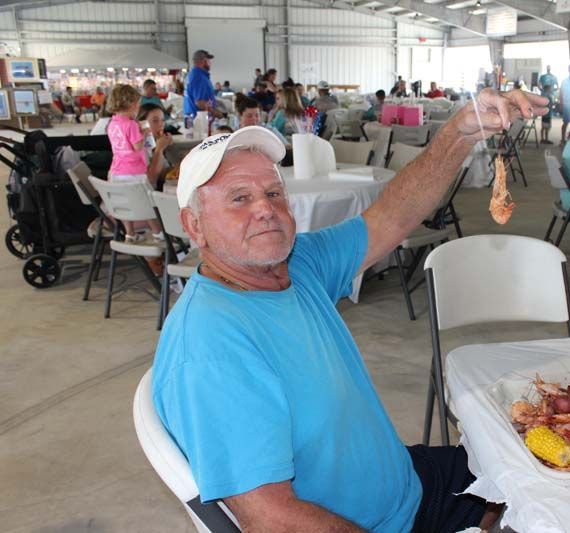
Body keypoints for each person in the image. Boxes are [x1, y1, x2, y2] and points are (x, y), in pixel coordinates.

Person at [151, 88, 548, 533]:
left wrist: (461, 130)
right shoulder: (210, 348)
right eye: (239, 199)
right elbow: (271, 518)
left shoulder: (295, 264)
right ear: (194, 226)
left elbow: (391, 216)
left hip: (404, 482)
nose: (265, 210)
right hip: (377, 524)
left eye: (273, 193)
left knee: (540, 460)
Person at [105, 84, 163, 242]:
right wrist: (144, 134)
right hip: (134, 172)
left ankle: (130, 233)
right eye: (137, 104)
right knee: (146, 203)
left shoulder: (112, 124)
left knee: (126, 206)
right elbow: (138, 146)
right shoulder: (131, 125)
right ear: (131, 104)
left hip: (117, 171)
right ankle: (158, 232)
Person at [137, 103, 173, 185]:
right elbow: (151, 181)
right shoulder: (140, 147)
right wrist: (159, 150)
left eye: (163, 120)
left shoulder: (154, 142)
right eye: (155, 121)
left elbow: (165, 172)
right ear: (142, 124)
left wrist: (169, 147)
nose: (161, 125)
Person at [184, 49, 223, 119]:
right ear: (203, 61)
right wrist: (218, 114)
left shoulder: (193, 74)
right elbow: (200, 103)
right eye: (209, 60)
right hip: (199, 121)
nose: (210, 63)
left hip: (193, 118)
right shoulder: (199, 76)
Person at [539, 65, 558, 145]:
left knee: (543, 126)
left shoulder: (543, 96)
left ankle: (543, 139)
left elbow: (538, 84)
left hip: (544, 113)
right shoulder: (550, 97)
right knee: (547, 127)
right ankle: (545, 139)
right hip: (548, 114)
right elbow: (557, 87)